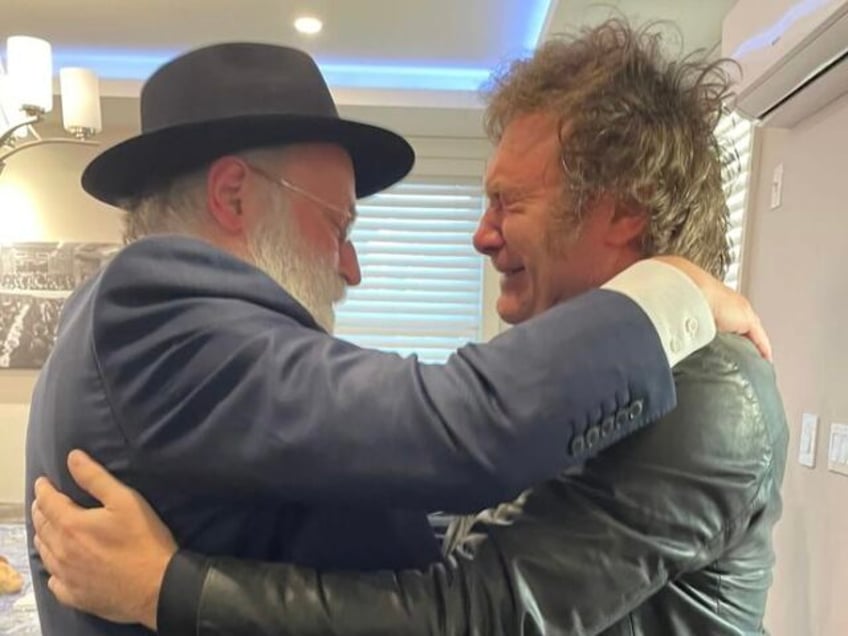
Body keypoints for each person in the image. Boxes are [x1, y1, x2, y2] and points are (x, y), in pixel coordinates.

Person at [30, 28, 774, 636]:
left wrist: (171, 588)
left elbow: (481, 601)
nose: (479, 239)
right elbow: (456, 437)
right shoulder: (156, 304)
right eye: (340, 226)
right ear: (231, 196)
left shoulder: (705, 392)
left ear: (621, 213)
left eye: (508, 202)